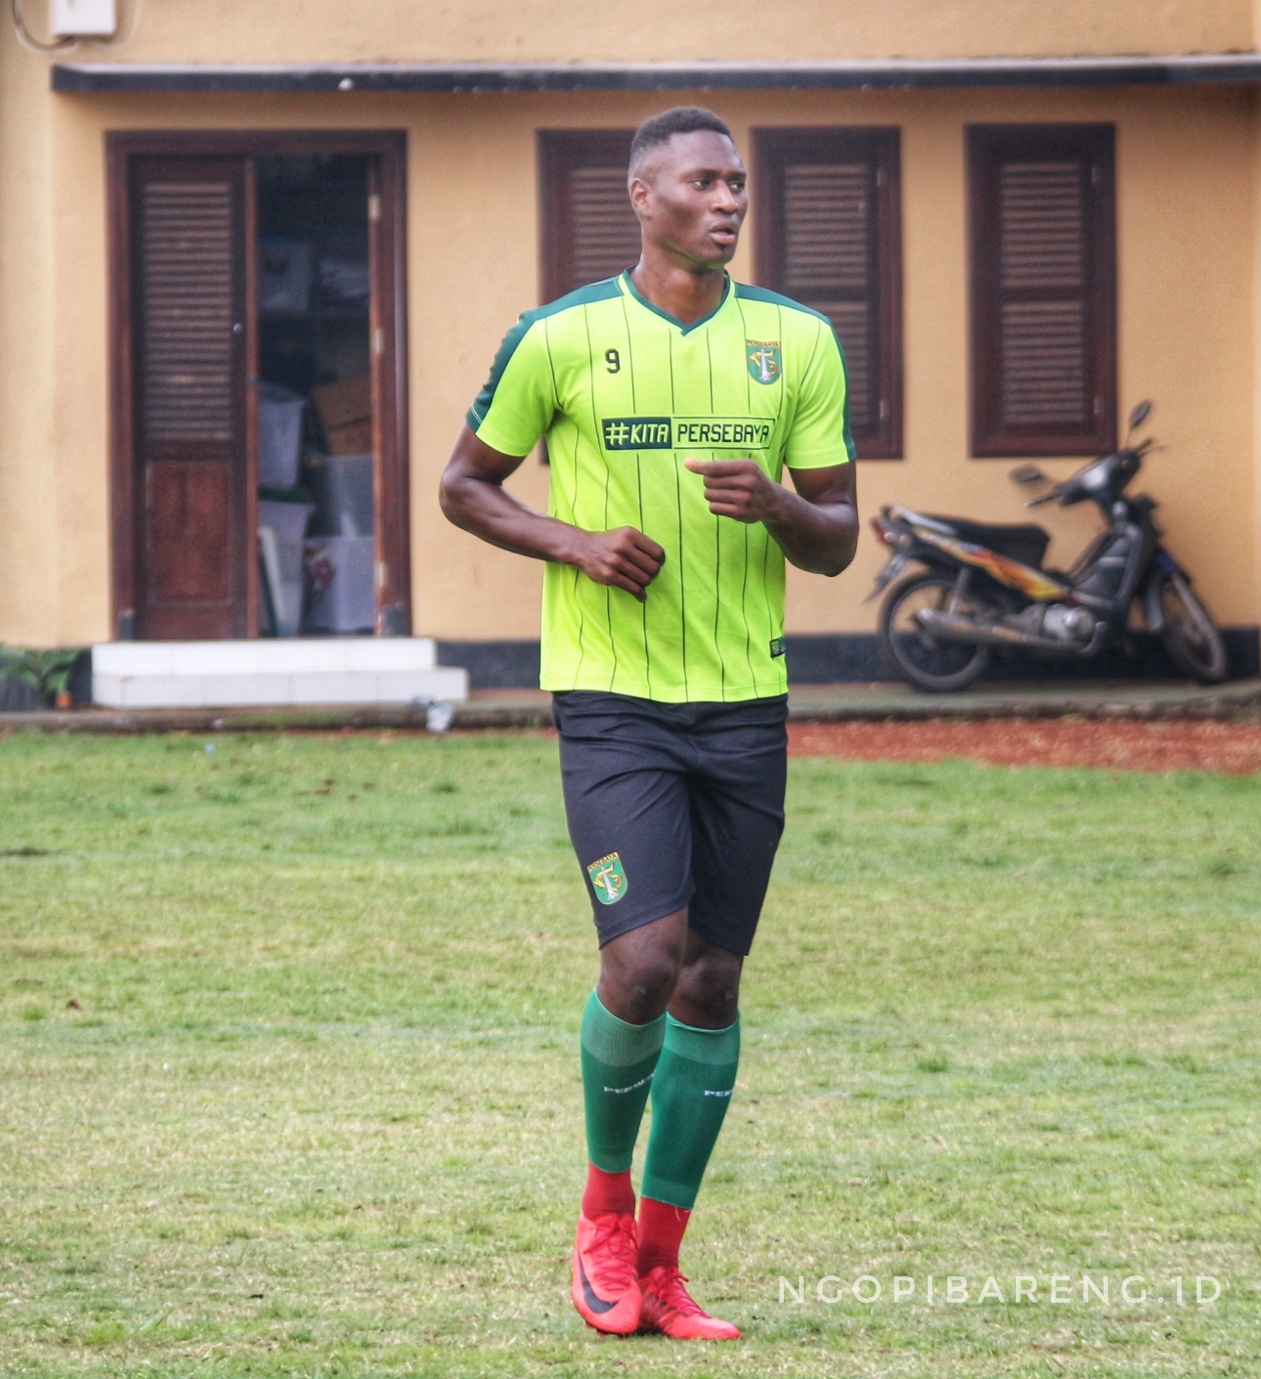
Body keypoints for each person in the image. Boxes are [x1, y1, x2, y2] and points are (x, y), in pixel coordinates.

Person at [439, 105, 858, 1342]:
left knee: (714, 981)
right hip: (612, 699)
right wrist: (573, 543)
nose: (729, 200)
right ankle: (599, 1218)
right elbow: (464, 484)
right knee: (642, 960)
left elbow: (838, 543)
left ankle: (664, 1263)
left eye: (738, 183)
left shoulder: (798, 342)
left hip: (744, 700)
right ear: (640, 194)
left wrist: (779, 505)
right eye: (704, 181)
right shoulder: (560, 337)